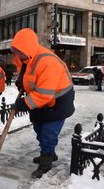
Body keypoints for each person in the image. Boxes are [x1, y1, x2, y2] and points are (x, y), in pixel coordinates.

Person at [11, 28, 75, 178]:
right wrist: (22, 83)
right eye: (16, 50)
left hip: (58, 102)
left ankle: (45, 163)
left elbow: (44, 94)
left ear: (28, 48)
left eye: (20, 51)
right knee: (39, 129)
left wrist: (22, 104)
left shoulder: (47, 61)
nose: (17, 54)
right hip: (41, 100)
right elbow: (28, 75)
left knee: (48, 133)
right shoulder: (25, 58)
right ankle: (49, 153)